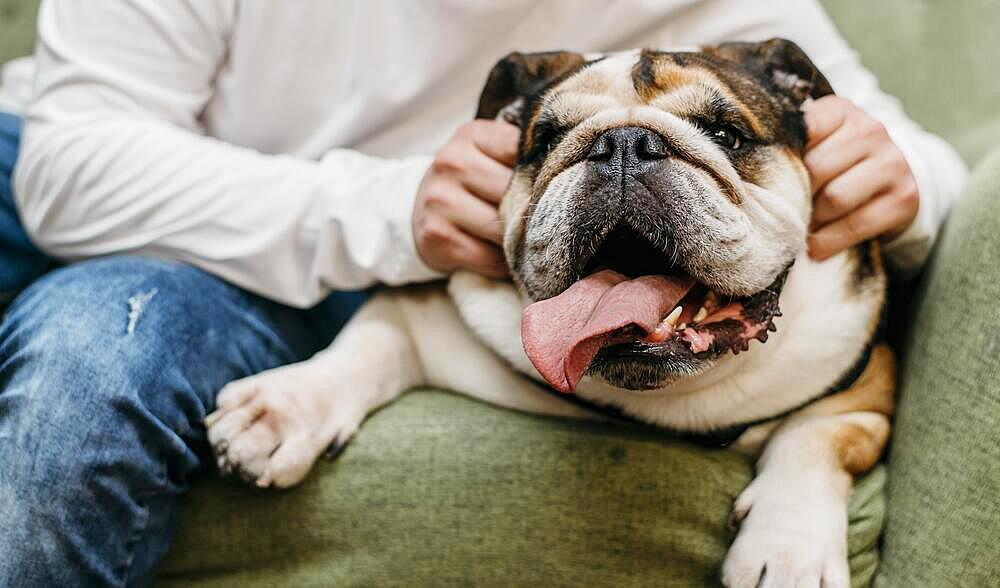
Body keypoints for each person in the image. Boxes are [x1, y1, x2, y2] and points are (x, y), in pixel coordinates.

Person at [0, 0, 966, 585]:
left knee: (83, 380)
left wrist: (903, 179)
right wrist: (396, 207)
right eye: (557, 143)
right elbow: (67, 167)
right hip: (125, 188)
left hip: (328, 271)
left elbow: (921, 159)